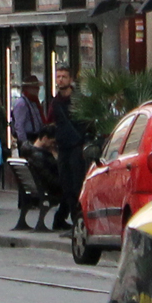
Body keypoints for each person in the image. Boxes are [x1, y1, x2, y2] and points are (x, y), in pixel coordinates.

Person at [47, 66, 87, 231]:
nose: (60, 79)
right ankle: (73, 219)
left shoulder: (79, 100)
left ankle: (79, 221)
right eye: (58, 77)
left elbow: (87, 120)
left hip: (77, 146)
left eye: (64, 76)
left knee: (77, 185)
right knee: (67, 186)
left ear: (70, 80)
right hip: (63, 147)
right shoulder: (55, 102)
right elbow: (50, 123)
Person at [22, 124, 62, 203]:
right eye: (53, 142)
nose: (54, 145)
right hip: (48, 190)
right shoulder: (40, 157)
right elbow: (51, 180)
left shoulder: (29, 151)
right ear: (45, 138)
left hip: (38, 188)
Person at [10, 74, 45, 149]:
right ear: (27, 88)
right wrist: (24, 143)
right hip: (28, 138)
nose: (38, 89)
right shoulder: (21, 103)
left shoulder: (34, 102)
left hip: (36, 137)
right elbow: (19, 126)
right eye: (35, 87)